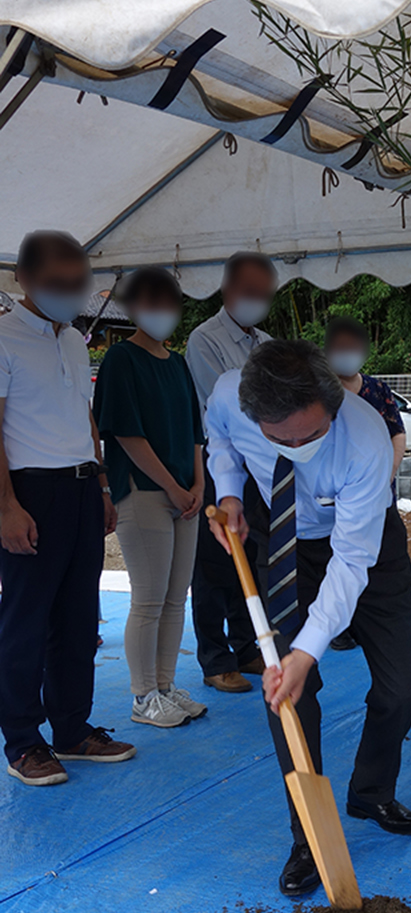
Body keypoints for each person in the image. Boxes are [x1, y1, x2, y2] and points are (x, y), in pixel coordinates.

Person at [206, 339, 411, 897]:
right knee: (291, 697)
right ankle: (307, 835)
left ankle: (371, 792)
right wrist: (230, 494)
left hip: (365, 547)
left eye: (313, 435)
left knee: (401, 687)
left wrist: (307, 651)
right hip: (282, 540)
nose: (300, 447)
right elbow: (222, 441)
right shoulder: (230, 395)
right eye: (283, 440)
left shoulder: (366, 438)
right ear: (258, 416)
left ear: (332, 406)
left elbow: (351, 564)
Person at [0, 231, 135, 785]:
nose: (69, 291)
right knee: (25, 623)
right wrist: (6, 505)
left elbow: (85, 417)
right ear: (24, 279)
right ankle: (24, 743)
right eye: (57, 281)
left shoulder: (77, 340)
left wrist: (102, 484)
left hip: (81, 487)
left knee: (80, 619)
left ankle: (73, 730)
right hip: (30, 490)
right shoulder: (3, 334)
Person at [94, 267, 206, 728]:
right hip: (144, 493)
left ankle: (165, 684)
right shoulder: (121, 359)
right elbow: (125, 434)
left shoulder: (177, 363)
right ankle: (144, 697)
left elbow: (196, 434)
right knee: (149, 597)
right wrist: (176, 487)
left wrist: (197, 485)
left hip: (186, 495)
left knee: (177, 596)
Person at [185, 252, 276, 694]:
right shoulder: (204, 340)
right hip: (220, 464)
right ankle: (215, 657)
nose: (257, 300)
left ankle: (247, 647)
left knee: (252, 556)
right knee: (214, 563)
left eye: (265, 294)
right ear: (227, 289)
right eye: (250, 292)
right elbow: (226, 405)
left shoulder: (268, 343)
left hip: (262, 467)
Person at [325, 314, 407, 650]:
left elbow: (397, 433)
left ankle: (374, 626)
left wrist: (387, 472)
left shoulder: (377, 390)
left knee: (380, 562)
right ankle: (341, 626)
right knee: (341, 561)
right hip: (335, 499)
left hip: (378, 497)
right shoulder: (322, 392)